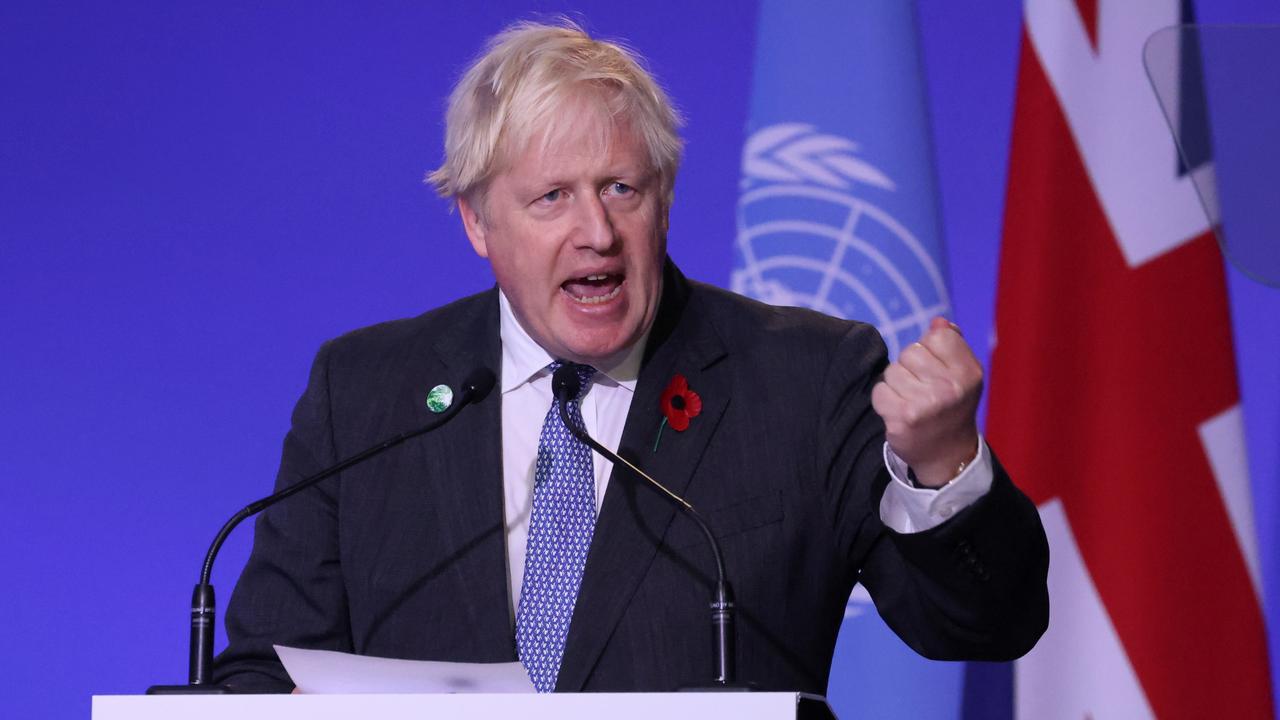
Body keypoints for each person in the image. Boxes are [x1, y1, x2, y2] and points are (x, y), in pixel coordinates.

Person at [214, 19, 1048, 694]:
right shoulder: (364, 394)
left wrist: (942, 463)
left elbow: (984, 624)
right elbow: (268, 667)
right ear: (476, 222)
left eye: (622, 188)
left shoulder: (804, 380)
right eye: (552, 197)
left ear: (665, 198)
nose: (598, 233)